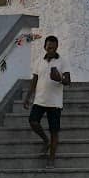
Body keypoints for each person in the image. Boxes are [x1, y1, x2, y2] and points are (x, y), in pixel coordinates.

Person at [24, 35, 70, 163]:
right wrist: (28, 96)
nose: (51, 50)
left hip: (54, 103)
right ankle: (45, 140)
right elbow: (34, 80)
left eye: (54, 48)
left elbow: (68, 81)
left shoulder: (62, 61)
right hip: (39, 100)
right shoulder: (39, 61)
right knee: (33, 121)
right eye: (49, 47)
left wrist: (60, 79)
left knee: (54, 131)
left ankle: (51, 159)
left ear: (57, 48)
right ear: (45, 47)